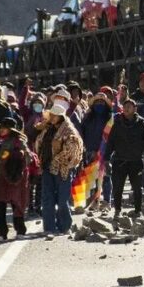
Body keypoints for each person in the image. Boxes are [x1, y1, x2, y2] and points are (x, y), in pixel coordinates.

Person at [35, 92, 84, 234]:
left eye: (54, 115)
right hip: (46, 168)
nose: (52, 117)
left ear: (61, 117)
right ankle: (49, 227)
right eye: (51, 115)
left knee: (62, 200)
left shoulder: (69, 131)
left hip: (63, 170)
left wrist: (56, 161)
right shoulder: (47, 130)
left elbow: (72, 151)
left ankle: (64, 226)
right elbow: (39, 143)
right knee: (47, 199)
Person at [106, 99, 144, 219]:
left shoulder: (142, 124)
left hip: (136, 161)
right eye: (125, 106)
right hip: (119, 160)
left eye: (130, 106)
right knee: (118, 188)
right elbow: (110, 142)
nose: (127, 108)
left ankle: (138, 210)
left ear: (135, 109)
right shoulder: (117, 123)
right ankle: (117, 210)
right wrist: (106, 159)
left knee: (137, 188)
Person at [0, 116, 34, 240]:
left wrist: (15, 166)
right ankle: (1, 233)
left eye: (4, 128)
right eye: (1, 128)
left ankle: (20, 230)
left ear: (11, 129)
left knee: (17, 205)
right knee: (0, 206)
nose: (1, 130)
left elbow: (28, 157)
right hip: (0, 178)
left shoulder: (18, 141)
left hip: (15, 179)